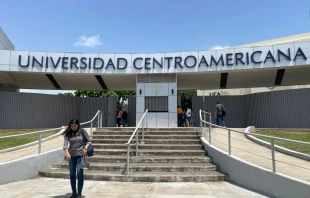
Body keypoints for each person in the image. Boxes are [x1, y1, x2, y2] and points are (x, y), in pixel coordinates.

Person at [62, 119, 91, 198]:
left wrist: (85, 148)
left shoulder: (82, 132)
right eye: (71, 126)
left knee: (79, 174)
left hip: (81, 156)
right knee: (72, 174)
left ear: (78, 125)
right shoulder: (68, 134)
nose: (73, 127)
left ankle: (79, 193)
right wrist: (67, 153)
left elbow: (89, 141)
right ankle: (74, 192)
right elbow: (65, 145)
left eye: (74, 126)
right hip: (71, 157)